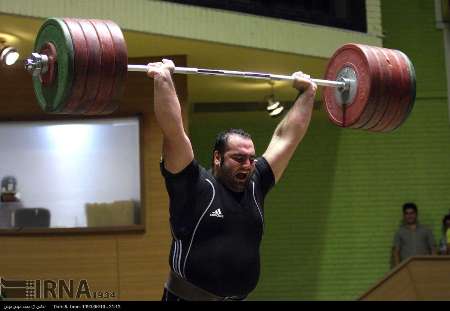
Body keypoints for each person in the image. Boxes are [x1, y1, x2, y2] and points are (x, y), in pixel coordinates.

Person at [146, 59, 317, 301]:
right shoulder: (194, 185)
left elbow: (286, 138)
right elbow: (174, 132)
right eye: (238, 158)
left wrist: (308, 93)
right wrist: (164, 79)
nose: (247, 165)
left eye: (251, 158)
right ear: (217, 158)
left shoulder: (257, 183)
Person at [392, 202, 436, 267]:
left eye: (412, 213)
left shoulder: (426, 230)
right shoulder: (399, 232)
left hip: (425, 266)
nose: (409, 216)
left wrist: (434, 266)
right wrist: (398, 269)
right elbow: (396, 252)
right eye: (407, 213)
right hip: (407, 268)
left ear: (416, 214)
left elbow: (433, 249)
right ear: (404, 216)